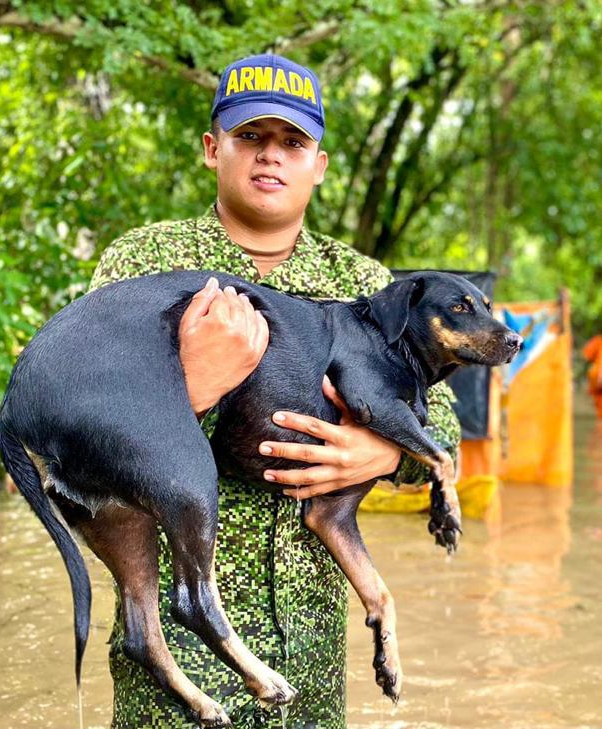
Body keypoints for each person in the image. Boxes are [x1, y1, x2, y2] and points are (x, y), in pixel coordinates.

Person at [88, 53, 460, 728]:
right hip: (177, 672)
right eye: (250, 137)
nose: (271, 157)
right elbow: (79, 429)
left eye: (292, 142)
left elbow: (449, 422)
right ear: (212, 149)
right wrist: (193, 388)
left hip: (312, 662)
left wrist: (384, 454)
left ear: (318, 163)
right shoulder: (143, 265)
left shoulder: (364, 282)